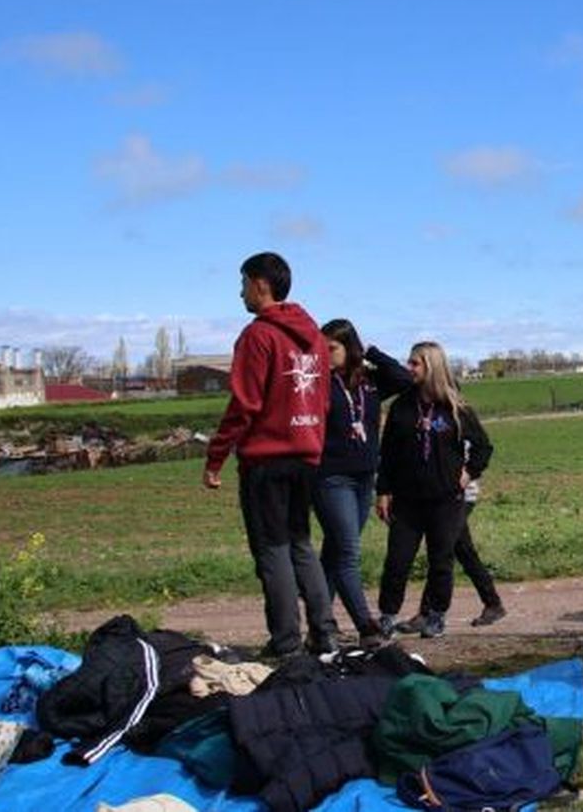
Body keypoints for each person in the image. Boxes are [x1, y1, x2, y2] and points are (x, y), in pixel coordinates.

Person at [204, 251, 337, 659]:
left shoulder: (258, 336)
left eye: (243, 283)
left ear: (261, 284)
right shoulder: (315, 337)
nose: (240, 293)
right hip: (307, 454)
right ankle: (325, 633)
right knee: (301, 543)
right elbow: (323, 400)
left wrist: (216, 457)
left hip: (267, 457)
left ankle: (286, 640)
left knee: (272, 549)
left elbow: (245, 403)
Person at [374, 341, 493, 639]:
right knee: (397, 561)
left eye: (415, 363)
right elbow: (387, 453)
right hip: (407, 500)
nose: (409, 368)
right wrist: (383, 491)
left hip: (446, 500)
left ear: (432, 367)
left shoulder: (455, 407)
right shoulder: (402, 406)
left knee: (441, 561)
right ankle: (387, 616)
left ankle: (436, 615)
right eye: (409, 362)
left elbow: (483, 446)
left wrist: (469, 472)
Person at [312, 320, 410, 649]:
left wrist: (371, 352)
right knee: (348, 553)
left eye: (332, 348)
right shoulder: (319, 383)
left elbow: (404, 379)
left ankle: (319, 628)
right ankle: (366, 626)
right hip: (331, 477)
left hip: (364, 476)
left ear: (349, 348)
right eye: (322, 349)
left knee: (334, 552)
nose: (326, 355)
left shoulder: (369, 381)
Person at [395, 437, 507, 631]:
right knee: (462, 550)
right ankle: (492, 603)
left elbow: (474, 453)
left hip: (459, 496)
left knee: (443, 550)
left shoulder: (455, 425)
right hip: (442, 496)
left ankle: (427, 613)